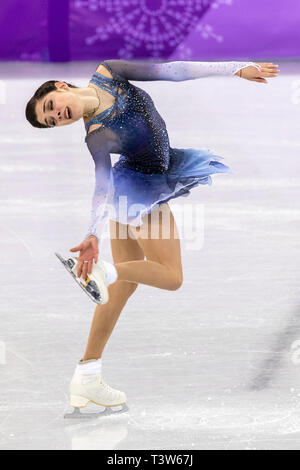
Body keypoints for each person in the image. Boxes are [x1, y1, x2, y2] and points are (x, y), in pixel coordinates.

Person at [26, 59, 279, 413]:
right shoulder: (96, 135)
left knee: (124, 285)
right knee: (170, 276)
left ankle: (87, 375)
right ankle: (106, 271)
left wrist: (234, 69)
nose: (59, 115)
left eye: (51, 106)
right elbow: (101, 184)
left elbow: (172, 71)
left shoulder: (109, 73)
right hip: (139, 190)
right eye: (53, 120)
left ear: (59, 86)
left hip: (137, 182)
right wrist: (90, 234)